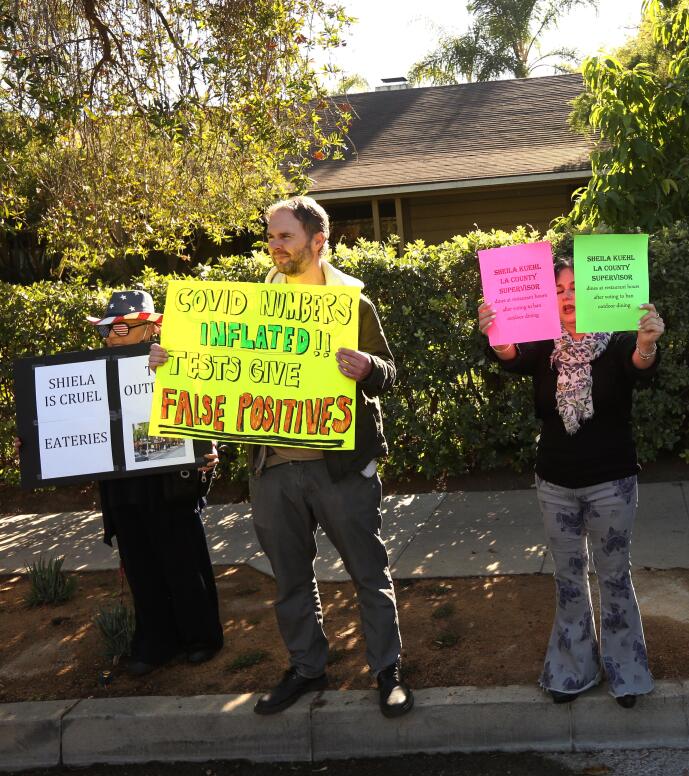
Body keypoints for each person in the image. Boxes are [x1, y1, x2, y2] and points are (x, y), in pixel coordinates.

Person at [150, 196, 411, 718]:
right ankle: (307, 668)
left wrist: (370, 369)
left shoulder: (352, 302)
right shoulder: (251, 305)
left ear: (318, 242)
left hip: (341, 468)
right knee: (289, 579)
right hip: (273, 470)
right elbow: (217, 371)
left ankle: (388, 671)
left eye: (283, 237)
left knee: (368, 573)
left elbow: (391, 371)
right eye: (270, 236)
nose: (273, 246)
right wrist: (169, 361)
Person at [477, 247, 665, 708]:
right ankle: (572, 670)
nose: (567, 296)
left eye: (577, 287)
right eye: (558, 289)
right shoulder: (544, 345)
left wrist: (648, 342)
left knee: (615, 576)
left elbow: (640, 365)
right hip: (555, 483)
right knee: (568, 579)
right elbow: (511, 356)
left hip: (612, 482)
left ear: (598, 292)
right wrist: (497, 333)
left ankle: (626, 672)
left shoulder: (619, 343)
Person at [33, 291, 223, 675]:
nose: (110, 337)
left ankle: (201, 638)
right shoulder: (92, 370)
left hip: (171, 487)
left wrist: (208, 446)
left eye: (120, 328)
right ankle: (155, 643)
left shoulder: (177, 358)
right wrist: (34, 443)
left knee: (184, 564)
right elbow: (70, 425)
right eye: (106, 330)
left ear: (150, 327)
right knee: (140, 567)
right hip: (122, 490)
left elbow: (208, 405)